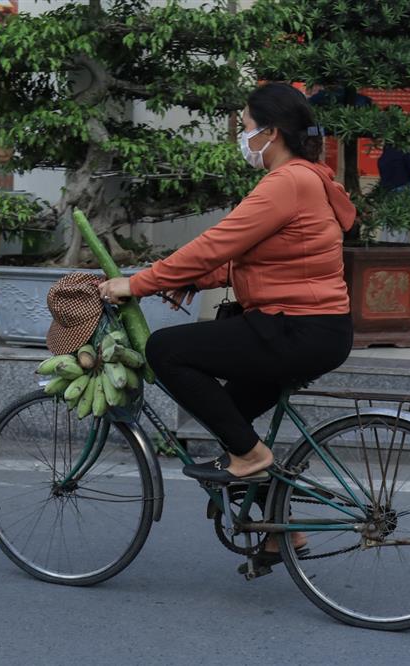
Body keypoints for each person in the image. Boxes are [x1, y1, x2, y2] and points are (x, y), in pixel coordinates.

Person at [99, 82, 356, 484]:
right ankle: (278, 529)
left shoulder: (287, 182)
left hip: (296, 328)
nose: (243, 138)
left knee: (165, 349)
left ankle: (253, 458)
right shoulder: (307, 178)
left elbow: (217, 243)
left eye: (247, 126)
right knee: (231, 423)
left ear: (271, 132)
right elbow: (266, 257)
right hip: (314, 328)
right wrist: (197, 280)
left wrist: (137, 284)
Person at [376, 141, 410, 243]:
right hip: (398, 193)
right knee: (397, 231)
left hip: (394, 193)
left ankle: (392, 255)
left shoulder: (390, 147)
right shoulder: (406, 147)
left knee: (392, 231)